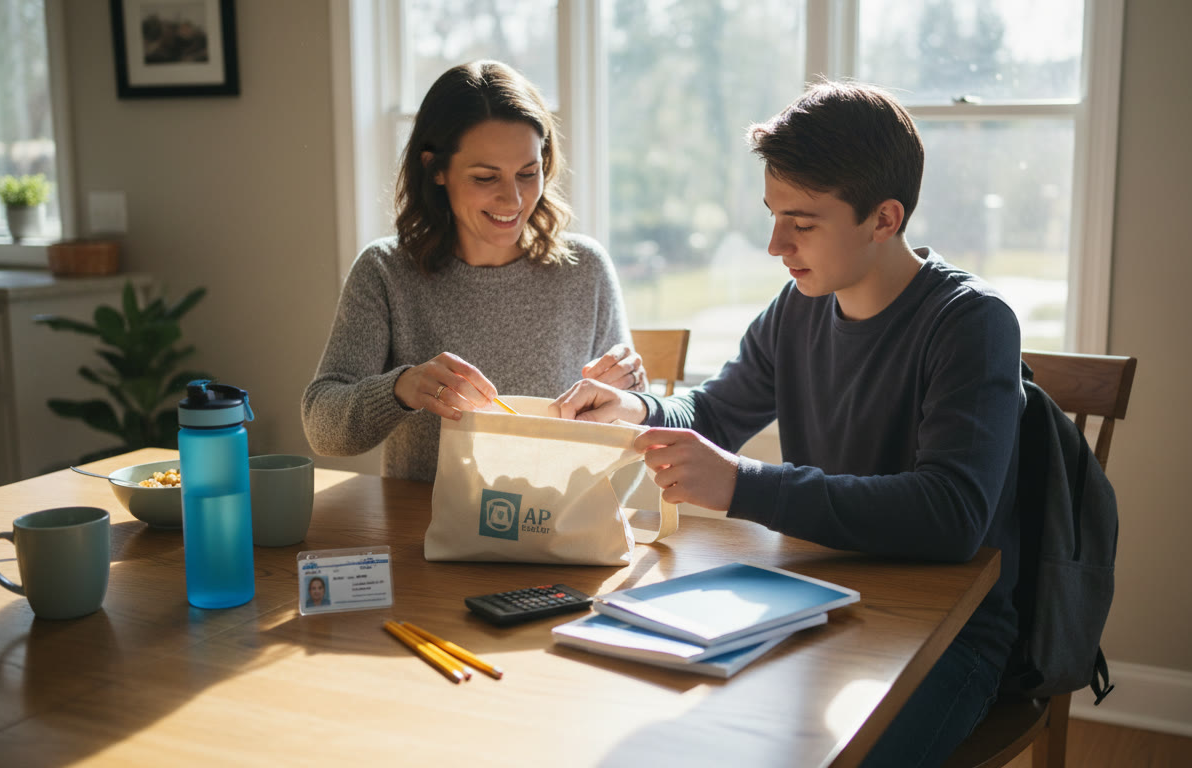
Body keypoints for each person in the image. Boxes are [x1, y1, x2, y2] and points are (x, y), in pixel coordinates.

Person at [549, 81, 1025, 767]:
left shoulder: (972, 324)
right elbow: (712, 412)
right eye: (773, 215)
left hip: (949, 636)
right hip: (816, 601)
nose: (775, 244)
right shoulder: (798, 307)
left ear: (884, 219)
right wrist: (637, 409)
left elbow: (951, 517)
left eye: (801, 223)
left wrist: (743, 485)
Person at [303, 60, 645, 482]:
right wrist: (402, 389)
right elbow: (323, 429)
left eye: (528, 173)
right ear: (437, 169)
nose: (513, 199)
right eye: (486, 177)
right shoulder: (386, 272)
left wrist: (631, 393)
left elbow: (632, 438)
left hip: (558, 531)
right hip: (424, 533)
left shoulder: (585, 270)